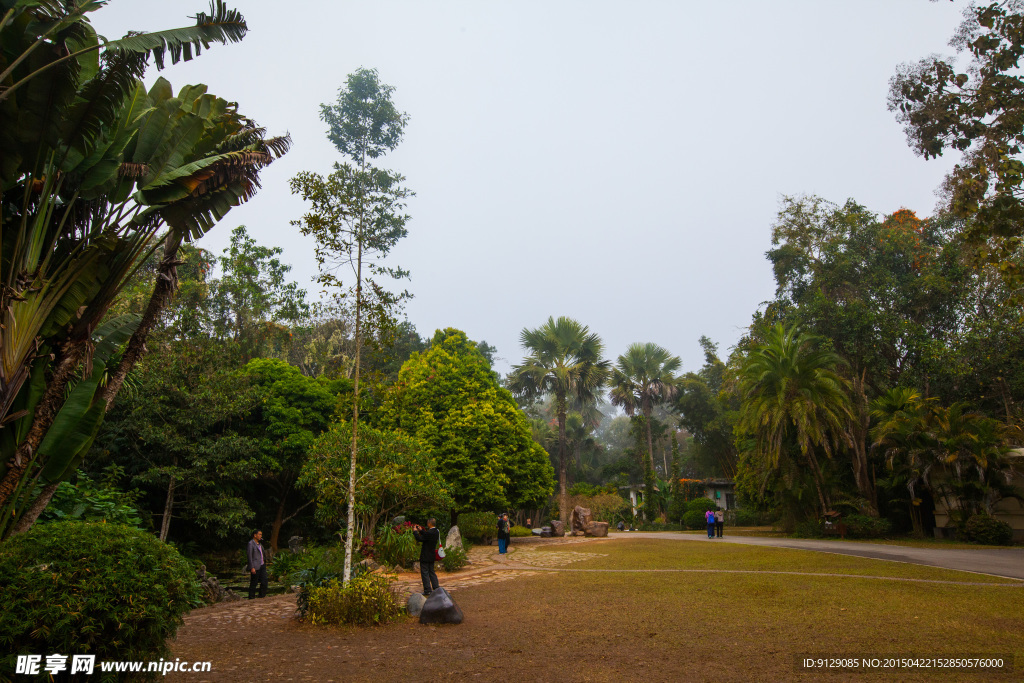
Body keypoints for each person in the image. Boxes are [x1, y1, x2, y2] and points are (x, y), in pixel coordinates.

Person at [413, 519, 440, 596]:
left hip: (425, 555)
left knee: (425, 572)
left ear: (429, 524)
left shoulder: (429, 533)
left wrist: (415, 532)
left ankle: (427, 589)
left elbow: (420, 538)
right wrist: (421, 530)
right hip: (432, 555)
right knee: (431, 571)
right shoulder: (436, 531)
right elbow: (426, 536)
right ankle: (436, 587)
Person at [246, 529, 268, 599]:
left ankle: (261, 596)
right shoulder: (251, 544)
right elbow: (249, 556)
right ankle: (251, 597)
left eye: (261, 534)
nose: (260, 536)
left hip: (262, 565)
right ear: (255, 535)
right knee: (254, 582)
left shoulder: (260, 544)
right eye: (259, 534)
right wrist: (252, 567)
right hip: (255, 566)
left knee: (264, 581)